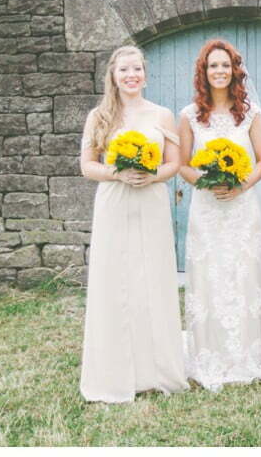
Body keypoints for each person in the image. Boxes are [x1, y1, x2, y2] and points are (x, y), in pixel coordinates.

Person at [78, 45, 188, 403]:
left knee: (151, 278)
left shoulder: (162, 115)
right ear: (113, 75)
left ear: (145, 74)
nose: (131, 76)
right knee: (116, 280)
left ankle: (156, 369)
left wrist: (153, 176)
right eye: (124, 70)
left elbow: (175, 163)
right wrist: (118, 173)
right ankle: (115, 369)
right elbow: (87, 166)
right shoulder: (100, 116)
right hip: (115, 202)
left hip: (151, 201)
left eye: (137, 69)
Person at [178, 38, 261, 390]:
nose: (219, 71)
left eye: (225, 65)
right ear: (203, 73)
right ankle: (209, 352)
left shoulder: (250, 114)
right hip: (207, 209)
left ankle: (247, 353)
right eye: (212, 66)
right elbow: (183, 165)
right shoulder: (189, 115)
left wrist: (240, 186)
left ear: (235, 71)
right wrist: (205, 184)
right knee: (210, 275)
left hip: (242, 206)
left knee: (243, 273)